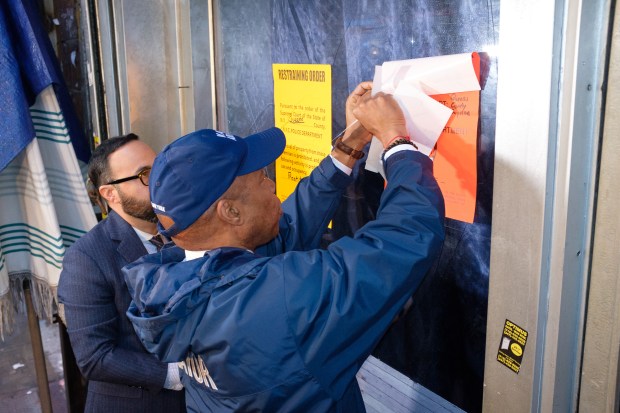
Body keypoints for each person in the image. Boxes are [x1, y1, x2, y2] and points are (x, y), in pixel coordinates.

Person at [124, 90, 445, 412]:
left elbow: (285, 227)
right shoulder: (283, 298)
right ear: (231, 213)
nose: (272, 184)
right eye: (262, 177)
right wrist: (396, 140)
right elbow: (403, 238)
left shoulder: (175, 279)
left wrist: (348, 147)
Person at [57, 134, 186, 413]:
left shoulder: (186, 227)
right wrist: (175, 373)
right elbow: (95, 356)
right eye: (144, 175)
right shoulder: (86, 257)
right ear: (110, 194)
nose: (159, 180)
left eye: (160, 167)